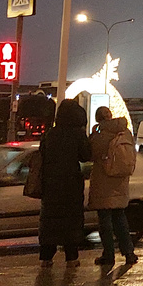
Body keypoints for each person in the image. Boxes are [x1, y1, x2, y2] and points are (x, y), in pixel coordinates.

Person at [38, 99, 91, 267]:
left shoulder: (50, 134)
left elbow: (42, 155)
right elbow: (85, 155)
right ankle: (71, 257)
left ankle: (46, 257)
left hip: (51, 184)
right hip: (71, 185)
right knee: (71, 221)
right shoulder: (77, 134)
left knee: (50, 220)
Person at [87, 106, 138, 268]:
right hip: (121, 181)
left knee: (105, 221)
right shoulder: (125, 132)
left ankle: (108, 254)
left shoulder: (101, 134)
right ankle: (129, 253)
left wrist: (93, 135)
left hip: (103, 182)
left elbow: (90, 153)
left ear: (98, 118)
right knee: (120, 218)